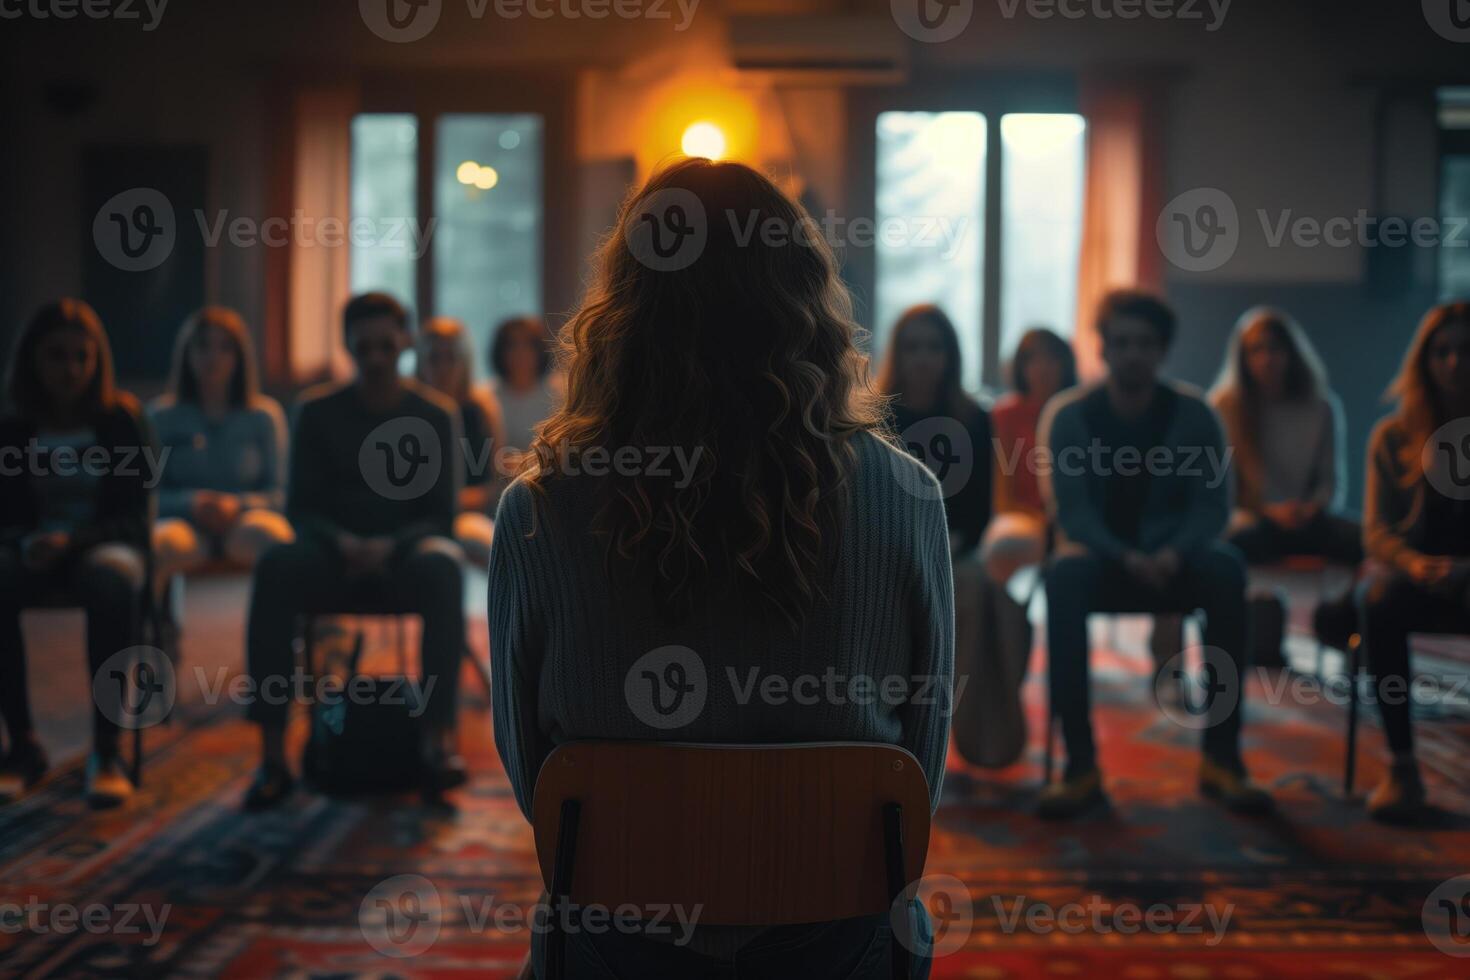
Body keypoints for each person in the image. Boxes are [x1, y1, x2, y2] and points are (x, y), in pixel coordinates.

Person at [490, 159, 949, 977]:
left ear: (624, 307)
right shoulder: (908, 494)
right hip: (836, 940)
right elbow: (917, 771)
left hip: (617, 939)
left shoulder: (540, 509)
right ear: (803, 295)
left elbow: (539, 783)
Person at [1036, 290, 1270, 819]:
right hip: (1102, 563)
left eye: (1145, 343)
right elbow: (1070, 513)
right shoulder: (1069, 416)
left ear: (1162, 350)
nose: (1133, 353)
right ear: (1103, 349)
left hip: (1176, 562)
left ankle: (1223, 758)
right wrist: (1124, 555)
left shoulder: (1195, 415)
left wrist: (1173, 551)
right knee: (1063, 577)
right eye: (1121, 342)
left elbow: (1214, 507)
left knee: (1227, 569)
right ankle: (1080, 766)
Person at [242, 293, 466, 810]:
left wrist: (392, 545)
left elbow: (442, 517)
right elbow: (299, 509)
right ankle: (272, 757)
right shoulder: (316, 411)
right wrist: (341, 542)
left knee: (444, 567)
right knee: (275, 566)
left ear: (405, 341)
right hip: (332, 556)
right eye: (364, 346)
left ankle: (436, 745)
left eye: (387, 344)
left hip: (403, 558)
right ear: (347, 345)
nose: (376, 357)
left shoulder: (436, 415)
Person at [0, 299, 154, 807]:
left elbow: (136, 519)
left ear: (96, 361)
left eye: (80, 357)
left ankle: (106, 751)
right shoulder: (13, 427)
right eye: (55, 356)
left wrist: (75, 541)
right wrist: (25, 540)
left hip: (103, 544)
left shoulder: (119, 420)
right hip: (31, 546)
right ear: (31, 361)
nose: (69, 370)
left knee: (111, 579)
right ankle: (22, 745)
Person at [1359, 301, 1470, 823]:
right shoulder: (1393, 436)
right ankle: (1402, 766)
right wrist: (1412, 563)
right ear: (1423, 361)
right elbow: (1376, 532)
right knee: (1376, 600)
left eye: (1465, 351)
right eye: (1441, 352)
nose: (1453, 363)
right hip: (1418, 575)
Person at [150, 307, 293, 621]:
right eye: (202, 346)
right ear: (186, 353)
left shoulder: (263, 416)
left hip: (245, 519)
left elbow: (282, 493)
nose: (213, 357)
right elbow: (147, 494)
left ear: (240, 357)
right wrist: (192, 503)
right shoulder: (161, 416)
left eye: (225, 347)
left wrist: (236, 505)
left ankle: (275, 634)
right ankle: (156, 637)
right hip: (184, 521)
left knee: (279, 543)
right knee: (157, 546)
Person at [1211, 308, 1361, 564]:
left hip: (1308, 519)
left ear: (1292, 354)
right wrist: (1267, 511)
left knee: (1365, 540)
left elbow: (1331, 481)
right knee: (1221, 545)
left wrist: (1310, 508)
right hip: (1253, 520)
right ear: (1242, 358)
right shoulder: (1225, 407)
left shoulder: (1321, 407)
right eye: (1256, 350)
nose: (1266, 359)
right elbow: (1219, 487)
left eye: (1275, 349)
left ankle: (1335, 604)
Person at [983, 327, 1077, 585]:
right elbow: (1002, 494)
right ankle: (1013, 625)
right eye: (1032, 359)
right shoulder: (1005, 415)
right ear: (1020, 366)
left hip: (1073, 521)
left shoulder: (1077, 413)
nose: (1043, 368)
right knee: (1001, 545)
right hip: (1024, 518)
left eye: (1052, 358)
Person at [416, 316, 506, 568]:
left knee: (491, 546)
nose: (443, 368)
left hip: (467, 514)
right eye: (435, 358)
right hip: (416, 520)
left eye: (451, 359)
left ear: (464, 363)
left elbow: (494, 481)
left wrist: (456, 500)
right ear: (421, 362)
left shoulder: (481, 408)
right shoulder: (410, 409)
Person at [488, 315, 559, 465]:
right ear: (501, 351)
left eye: (528, 345)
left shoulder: (560, 394)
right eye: (512, 345)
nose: (520, 353)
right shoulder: (486, 397)